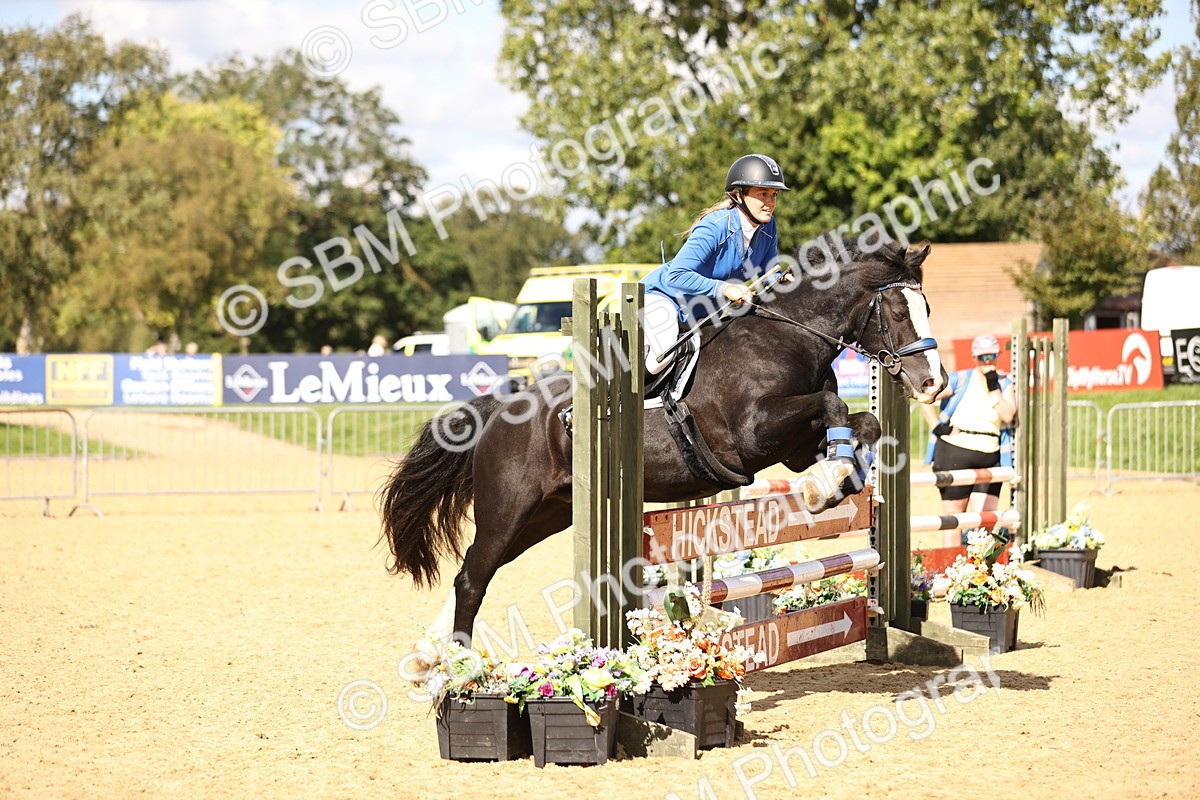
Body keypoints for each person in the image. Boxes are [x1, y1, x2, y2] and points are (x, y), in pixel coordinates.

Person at [640, 153, 789, 375]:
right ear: (739, 195)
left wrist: (788, 282)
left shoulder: (769, 227)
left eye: (774, 195)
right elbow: (677, 275)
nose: (770, 203)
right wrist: (725, 288)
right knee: (661, 358)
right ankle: (628, 402)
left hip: (704, 312)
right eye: (763, 194)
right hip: (664, 299)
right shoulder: (715, 226)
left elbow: (768, 272)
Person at [923, 334, 1017, 546]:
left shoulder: (1005, 383)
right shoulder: (961, 378)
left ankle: (978, 569)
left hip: (990, 452)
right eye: (982, 357)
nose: (987, 361)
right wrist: (937, 426)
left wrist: (994, 387)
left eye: (991, 356)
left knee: (985, 517)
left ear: (998, 355)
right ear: (974, 357)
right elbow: (926, 397)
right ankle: (948, 569)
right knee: (954, 516)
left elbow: (1008, 415)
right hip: (954, 450)